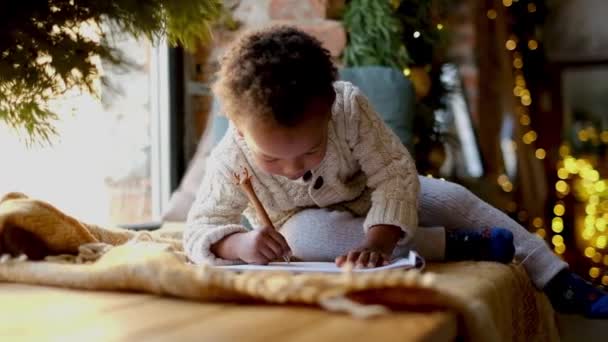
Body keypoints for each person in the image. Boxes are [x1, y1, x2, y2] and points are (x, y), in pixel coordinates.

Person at [184, 26, 607, 318]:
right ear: (238, 128)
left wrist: (379, 238)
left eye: (312, 150)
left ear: (329, 109)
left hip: (381, 200)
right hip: (303, 223)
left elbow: (393, 173)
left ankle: (556, 277)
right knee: (305, 238)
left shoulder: (347, 108)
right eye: (273, 160)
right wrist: (239, 245)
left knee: (453, 198)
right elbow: (201, 227)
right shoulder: (231, 157)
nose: (294, 170)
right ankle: (458, 246)